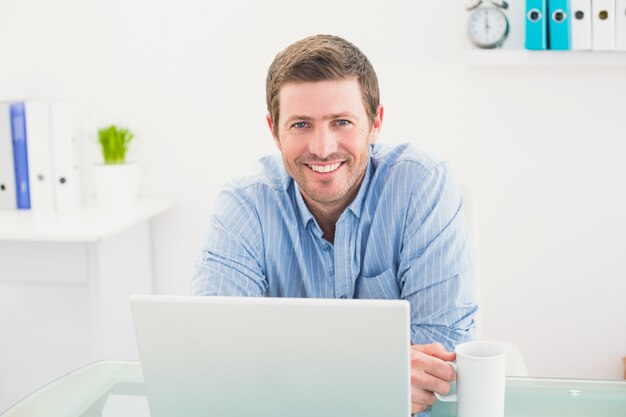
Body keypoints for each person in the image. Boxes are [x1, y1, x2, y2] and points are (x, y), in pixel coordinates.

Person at [192, 34, 477, 415]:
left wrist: (286, 372)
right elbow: (216, 352)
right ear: (273, 130)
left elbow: (441, 355)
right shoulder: (245, 205)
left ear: (375, 123)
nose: (323, 147)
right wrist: (377, 374)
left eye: (341, 121)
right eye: (300, 125)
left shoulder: (421, 184)